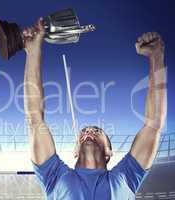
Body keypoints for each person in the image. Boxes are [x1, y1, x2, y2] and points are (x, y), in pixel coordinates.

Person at [23, 18, 167, 200]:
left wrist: (157, 57)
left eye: (97, 131)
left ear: (109, 152)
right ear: (75, 151)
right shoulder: (55, 176)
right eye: (86, 131)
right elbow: (35, 119)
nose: (89, 130)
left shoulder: (126, 177)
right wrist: (33, 51)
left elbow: (153, 125)